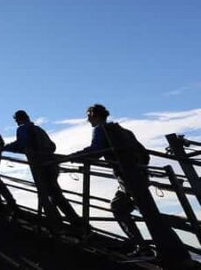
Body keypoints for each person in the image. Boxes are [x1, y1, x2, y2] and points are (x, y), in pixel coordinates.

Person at [66, 104, 191, 262]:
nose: (88, 120)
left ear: (95, 115)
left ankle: (162, 251)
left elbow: (95, 150)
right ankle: (150, 248)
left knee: (138, 212)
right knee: (129, 209)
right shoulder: (125, 131)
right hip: (138, 176)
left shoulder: (100, 129)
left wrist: (74, 156)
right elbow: (145, 154)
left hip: (127, 178)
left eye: (89, 116)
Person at [3, 110, 80, 229]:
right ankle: (76, 222)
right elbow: (52, 146)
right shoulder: (39, 129)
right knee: (56, 195)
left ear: (18, 119)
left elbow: (21, 144)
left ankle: (56, 224)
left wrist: (4, 148)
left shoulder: (22, 129)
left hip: (40, 166)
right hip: (52, 164)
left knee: (44, 196)